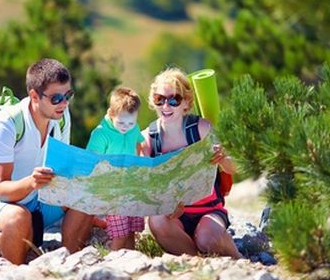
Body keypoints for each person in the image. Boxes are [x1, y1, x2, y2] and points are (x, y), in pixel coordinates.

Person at [0, 58, 94, 265]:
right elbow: (2, 190)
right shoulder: (6, 124)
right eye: (56, 98)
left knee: (87, 193)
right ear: (34, 96)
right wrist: (32, 182)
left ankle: (69, 265)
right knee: (18, 218)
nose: (64, 103)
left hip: (34, 203)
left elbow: (63, 173)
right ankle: (19, 277)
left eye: (68, 95)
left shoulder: (62, 116)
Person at [139, 67, 242, 258]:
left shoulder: (202, 129)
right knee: (157, 221)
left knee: (207, 239)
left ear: (186, 102)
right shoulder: (148, 138)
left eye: (174, 100)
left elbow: (234, 167)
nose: (166, 106)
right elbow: (147, 182)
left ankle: (240, 260)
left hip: (209, 210)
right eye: (159, 99)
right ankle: (195, 261)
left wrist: (224, 159)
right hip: (174, 215)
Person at [86, 86, 145, 250]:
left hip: (130, 185)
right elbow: (91, 161)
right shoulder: (101, 134)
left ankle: (132, 258)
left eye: (131, 122)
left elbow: (139, 142)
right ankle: (114, 261)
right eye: (121, 122)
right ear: (111, 113)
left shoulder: (134, 128)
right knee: (119, 233)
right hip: (112, 189)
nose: (126, 126)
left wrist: (139, 161)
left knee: (132, 229)